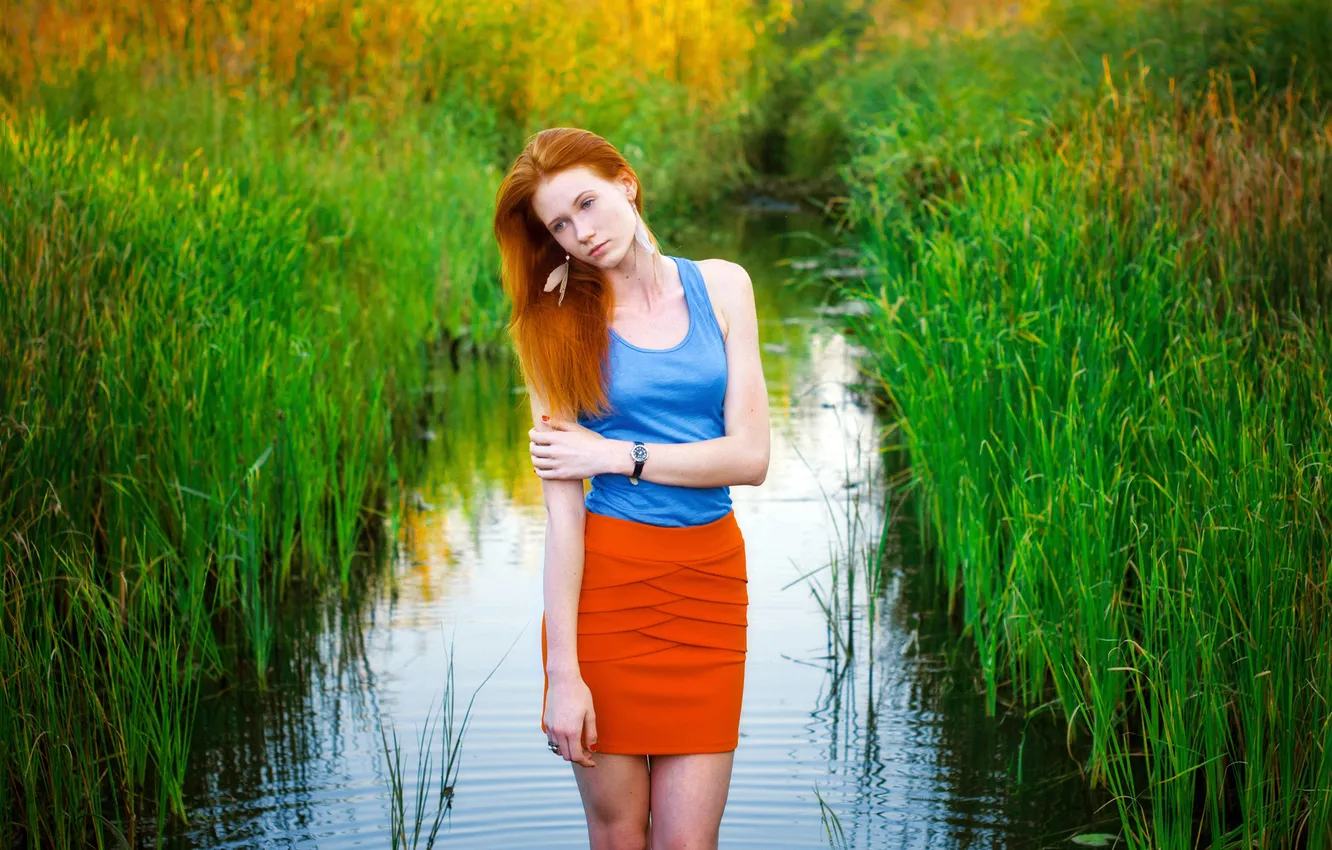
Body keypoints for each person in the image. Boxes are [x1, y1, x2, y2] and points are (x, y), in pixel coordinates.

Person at [492, 127, 771, 850]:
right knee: (619, 837)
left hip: (709, 585)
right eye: (559, 224)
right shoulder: (551, 325)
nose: (580, 233)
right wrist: (563, 676)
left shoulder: (725, 285)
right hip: (606, 599)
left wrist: (616, 453)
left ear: (626, 183)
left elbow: (751, 457)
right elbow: (562, 518)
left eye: (587, 203)